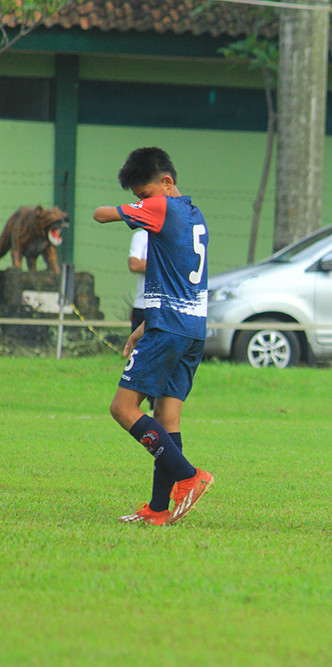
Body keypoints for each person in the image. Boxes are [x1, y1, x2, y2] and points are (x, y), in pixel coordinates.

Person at [93, 147, 214, 526]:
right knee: (166, 416)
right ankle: (159, 510)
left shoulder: (161, 208)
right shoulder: (195, 214)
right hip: (191, 329)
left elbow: (100, 215)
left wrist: (131, 209)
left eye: (143, 195)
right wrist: (143, 327)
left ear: (167, 182)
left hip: (170, 331)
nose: (142, 204)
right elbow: (180, 280)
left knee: (123, 408)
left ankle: (190, 476)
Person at [128, 229, 155, 412]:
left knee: (158, 358)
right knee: (139, 358)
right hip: (142, 306)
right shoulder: (142, 236)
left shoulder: (173, 232)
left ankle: (155, 405)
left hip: (163, 308)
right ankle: (135, 405)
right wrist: (161, 263)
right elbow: (134, 265)